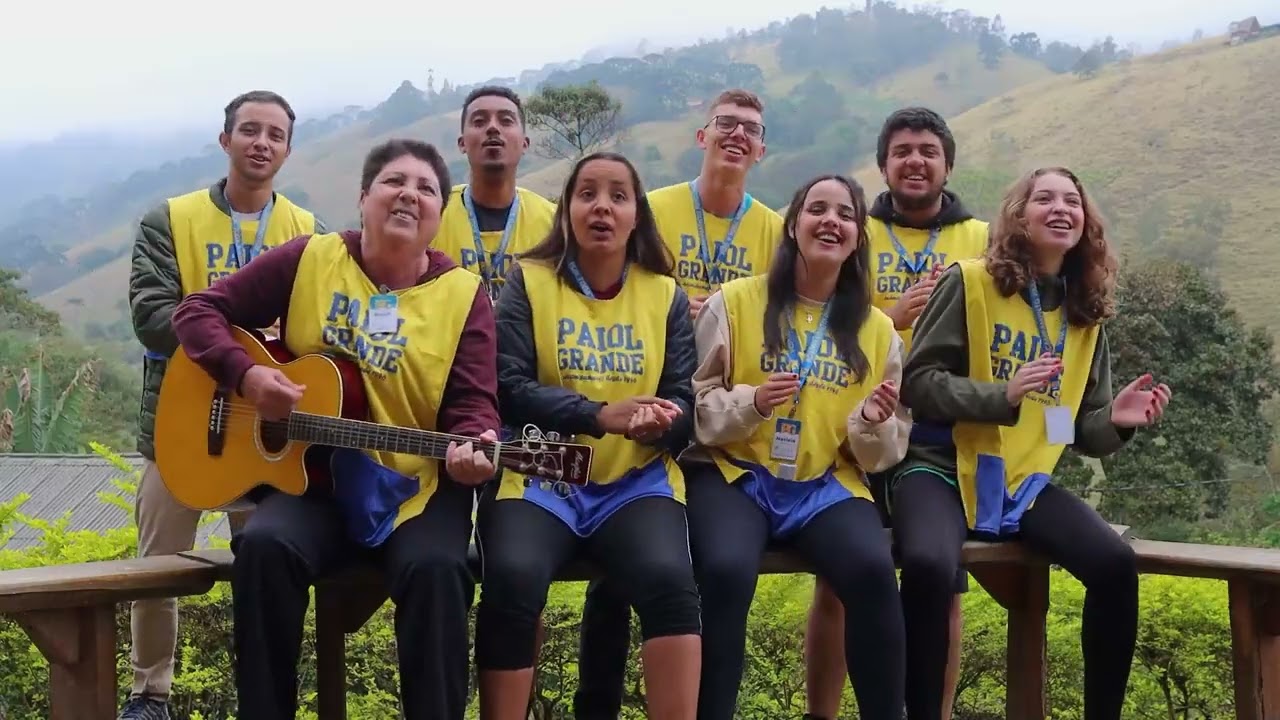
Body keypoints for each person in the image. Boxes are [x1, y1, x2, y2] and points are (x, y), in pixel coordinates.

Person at [169, 139, 500, 720]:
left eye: (426, 189)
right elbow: (196, 312)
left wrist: (477, 447)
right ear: (364, 197)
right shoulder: (310, 259)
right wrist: (246, 377)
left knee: (438, 570)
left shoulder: (464, 296)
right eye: (395, 181)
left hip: (414, 489)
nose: (409, 195)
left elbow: (474, 405)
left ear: (438, 219)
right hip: (310, 482)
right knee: (265, 548)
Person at [896, 166, 1170, 719]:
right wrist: (1003, 394)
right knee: (927, 565)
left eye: (1073, 201)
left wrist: (1116, 421)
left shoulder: (1086, 317)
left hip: (1023, 481)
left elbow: (1079, 430)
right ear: (1019, 216)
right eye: (1044, 198)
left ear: (1086, 223)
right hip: (939, 467)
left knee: (1115, 565)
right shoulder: (969, 281)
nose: (1061, 208)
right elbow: (917, 383)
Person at [573, 87, 784, 718]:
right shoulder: (655, 208)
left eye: (750, 129)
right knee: (613, 577)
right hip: (646, 406)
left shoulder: (773, 229)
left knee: (700, 576)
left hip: (720, 423)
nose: (736, 136)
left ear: (762, 148)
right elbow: (617, 282)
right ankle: (597, 705)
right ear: (703, 137)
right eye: (725, 124)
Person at [475, 151, 701, 720]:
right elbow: (507, 386)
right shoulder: (527, 282)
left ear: (636, 216)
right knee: (513, 580)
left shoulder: (665, 294)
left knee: (670, 581)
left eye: (618, 195)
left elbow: (683, 395)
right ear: (567, 211)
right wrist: (597, 414)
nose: (602, 206)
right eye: (587, 193)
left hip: (633, 480)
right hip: (540, 476)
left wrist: (665, 419)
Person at [122, 89, 323, 720]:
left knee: (269, 572)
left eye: (275, 134)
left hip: (264, 431)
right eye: (249, 130)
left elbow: (312, 333)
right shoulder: (170, 219)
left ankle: (259, 695)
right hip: (181, 421)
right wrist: (242, 344)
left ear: (288, 149)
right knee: (155, 566)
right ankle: (149, 693)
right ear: (225, 139)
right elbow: (153, 319)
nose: (261, 143)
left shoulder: (306, 231)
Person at [686, 174, 909, 719]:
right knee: (724, 571)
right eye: (817, 209)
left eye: (846, 214)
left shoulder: (879, 330)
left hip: (825, 486)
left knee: (873, 572)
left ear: (857, 236)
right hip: (736, 475)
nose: (831, 221)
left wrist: (872, 423)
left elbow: (882, 454)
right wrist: (755, 403)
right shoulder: (734, 303)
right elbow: (696, 407)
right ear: (794, 224)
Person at [804, 106, 989, 720]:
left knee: (944, 586)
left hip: (937, 442)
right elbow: (819, 312)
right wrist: (896, 317)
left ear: (947, 164)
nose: (915, 160)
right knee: (837, 583)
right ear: (884, 164)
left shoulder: (981, 239)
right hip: (852, 427)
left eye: (928, 151)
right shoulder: (855, 227)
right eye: (903, 150)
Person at [435, 85, 557, 302]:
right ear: (462, 143)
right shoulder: (434, 213)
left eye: (506, 120)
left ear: (524, 143)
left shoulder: (554, 223)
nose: (492, 128)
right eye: (479, 121)